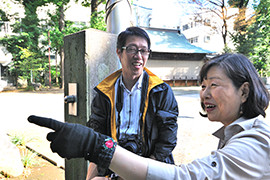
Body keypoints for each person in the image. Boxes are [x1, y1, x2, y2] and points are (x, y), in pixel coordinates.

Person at [28, 53, 270, 179]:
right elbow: (99, 126)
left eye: (214, 85)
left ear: (244, 91)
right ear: (119, 54)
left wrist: (98, 146)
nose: (204, 93)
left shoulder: (254, 142)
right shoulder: (103, 90)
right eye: (203, 85)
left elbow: (178, 160)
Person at [86, 26, 178, 179]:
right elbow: (97, 135)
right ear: (119, 52)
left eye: (144, 50)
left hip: (152, 163)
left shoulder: (161, 91)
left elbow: (167, 138)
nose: (138, 56)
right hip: (113, 160)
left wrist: (146, 170)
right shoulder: (104, 93)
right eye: (132, 49)